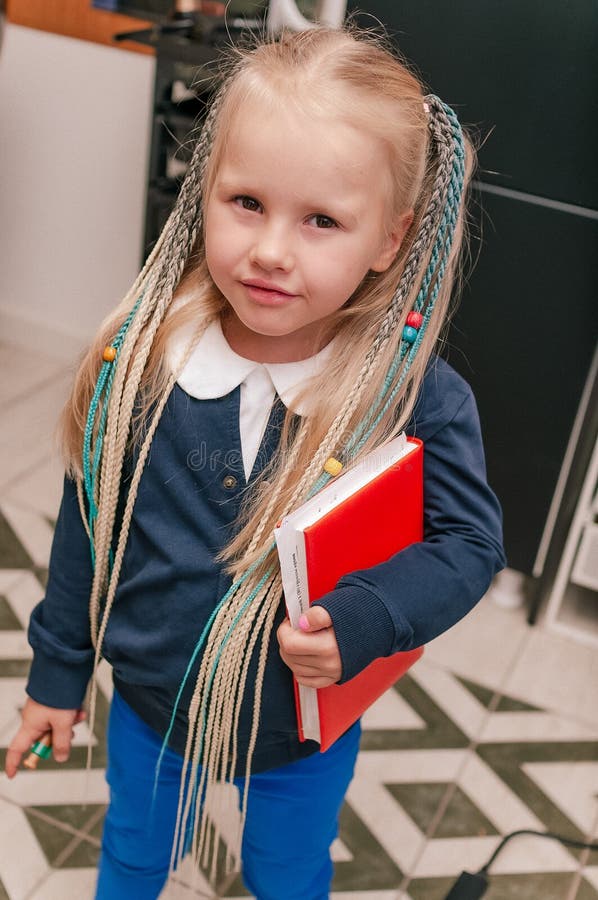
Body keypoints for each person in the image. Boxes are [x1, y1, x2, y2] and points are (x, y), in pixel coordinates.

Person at [5, 25, 505, 900]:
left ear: (391, 240)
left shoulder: (414, 395)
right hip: (152, 709)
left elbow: (469, 544)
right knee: (130, 857)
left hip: (302, 729)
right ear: (204, 193)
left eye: (320, 221)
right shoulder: (145, 360)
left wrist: (365, 620)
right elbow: (91, 520)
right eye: (246, 203)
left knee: (287, 871)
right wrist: (57, 672)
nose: (272, 250)